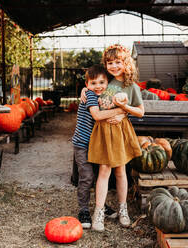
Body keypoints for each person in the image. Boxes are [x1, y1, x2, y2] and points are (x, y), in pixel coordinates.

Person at [88, 44, 145, 232]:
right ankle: (98, 212)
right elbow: (90, 87)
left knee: (121, 171)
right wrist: (84, 91)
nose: (113, 66)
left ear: (125, 63)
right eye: (110, 63)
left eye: (118, 62)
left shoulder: (131, 87)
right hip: (104, 131)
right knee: (104, 171)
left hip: (120, 131)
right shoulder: (104, 81)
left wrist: (124, 110)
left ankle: (123, 209)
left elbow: (140, 112)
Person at [72, 65, 126, 229]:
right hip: (83, 144)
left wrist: (123, 111)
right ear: (87, 84)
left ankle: (100, 206)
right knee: (86, 177)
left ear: (107, 82)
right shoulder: (90, 95)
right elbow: (97, 115)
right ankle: (83, 210)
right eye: (93, 83)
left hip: (97, 145)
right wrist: (120, 111)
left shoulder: (106, 95)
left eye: (101, 82)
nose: (98, 86)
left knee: (99, 177)